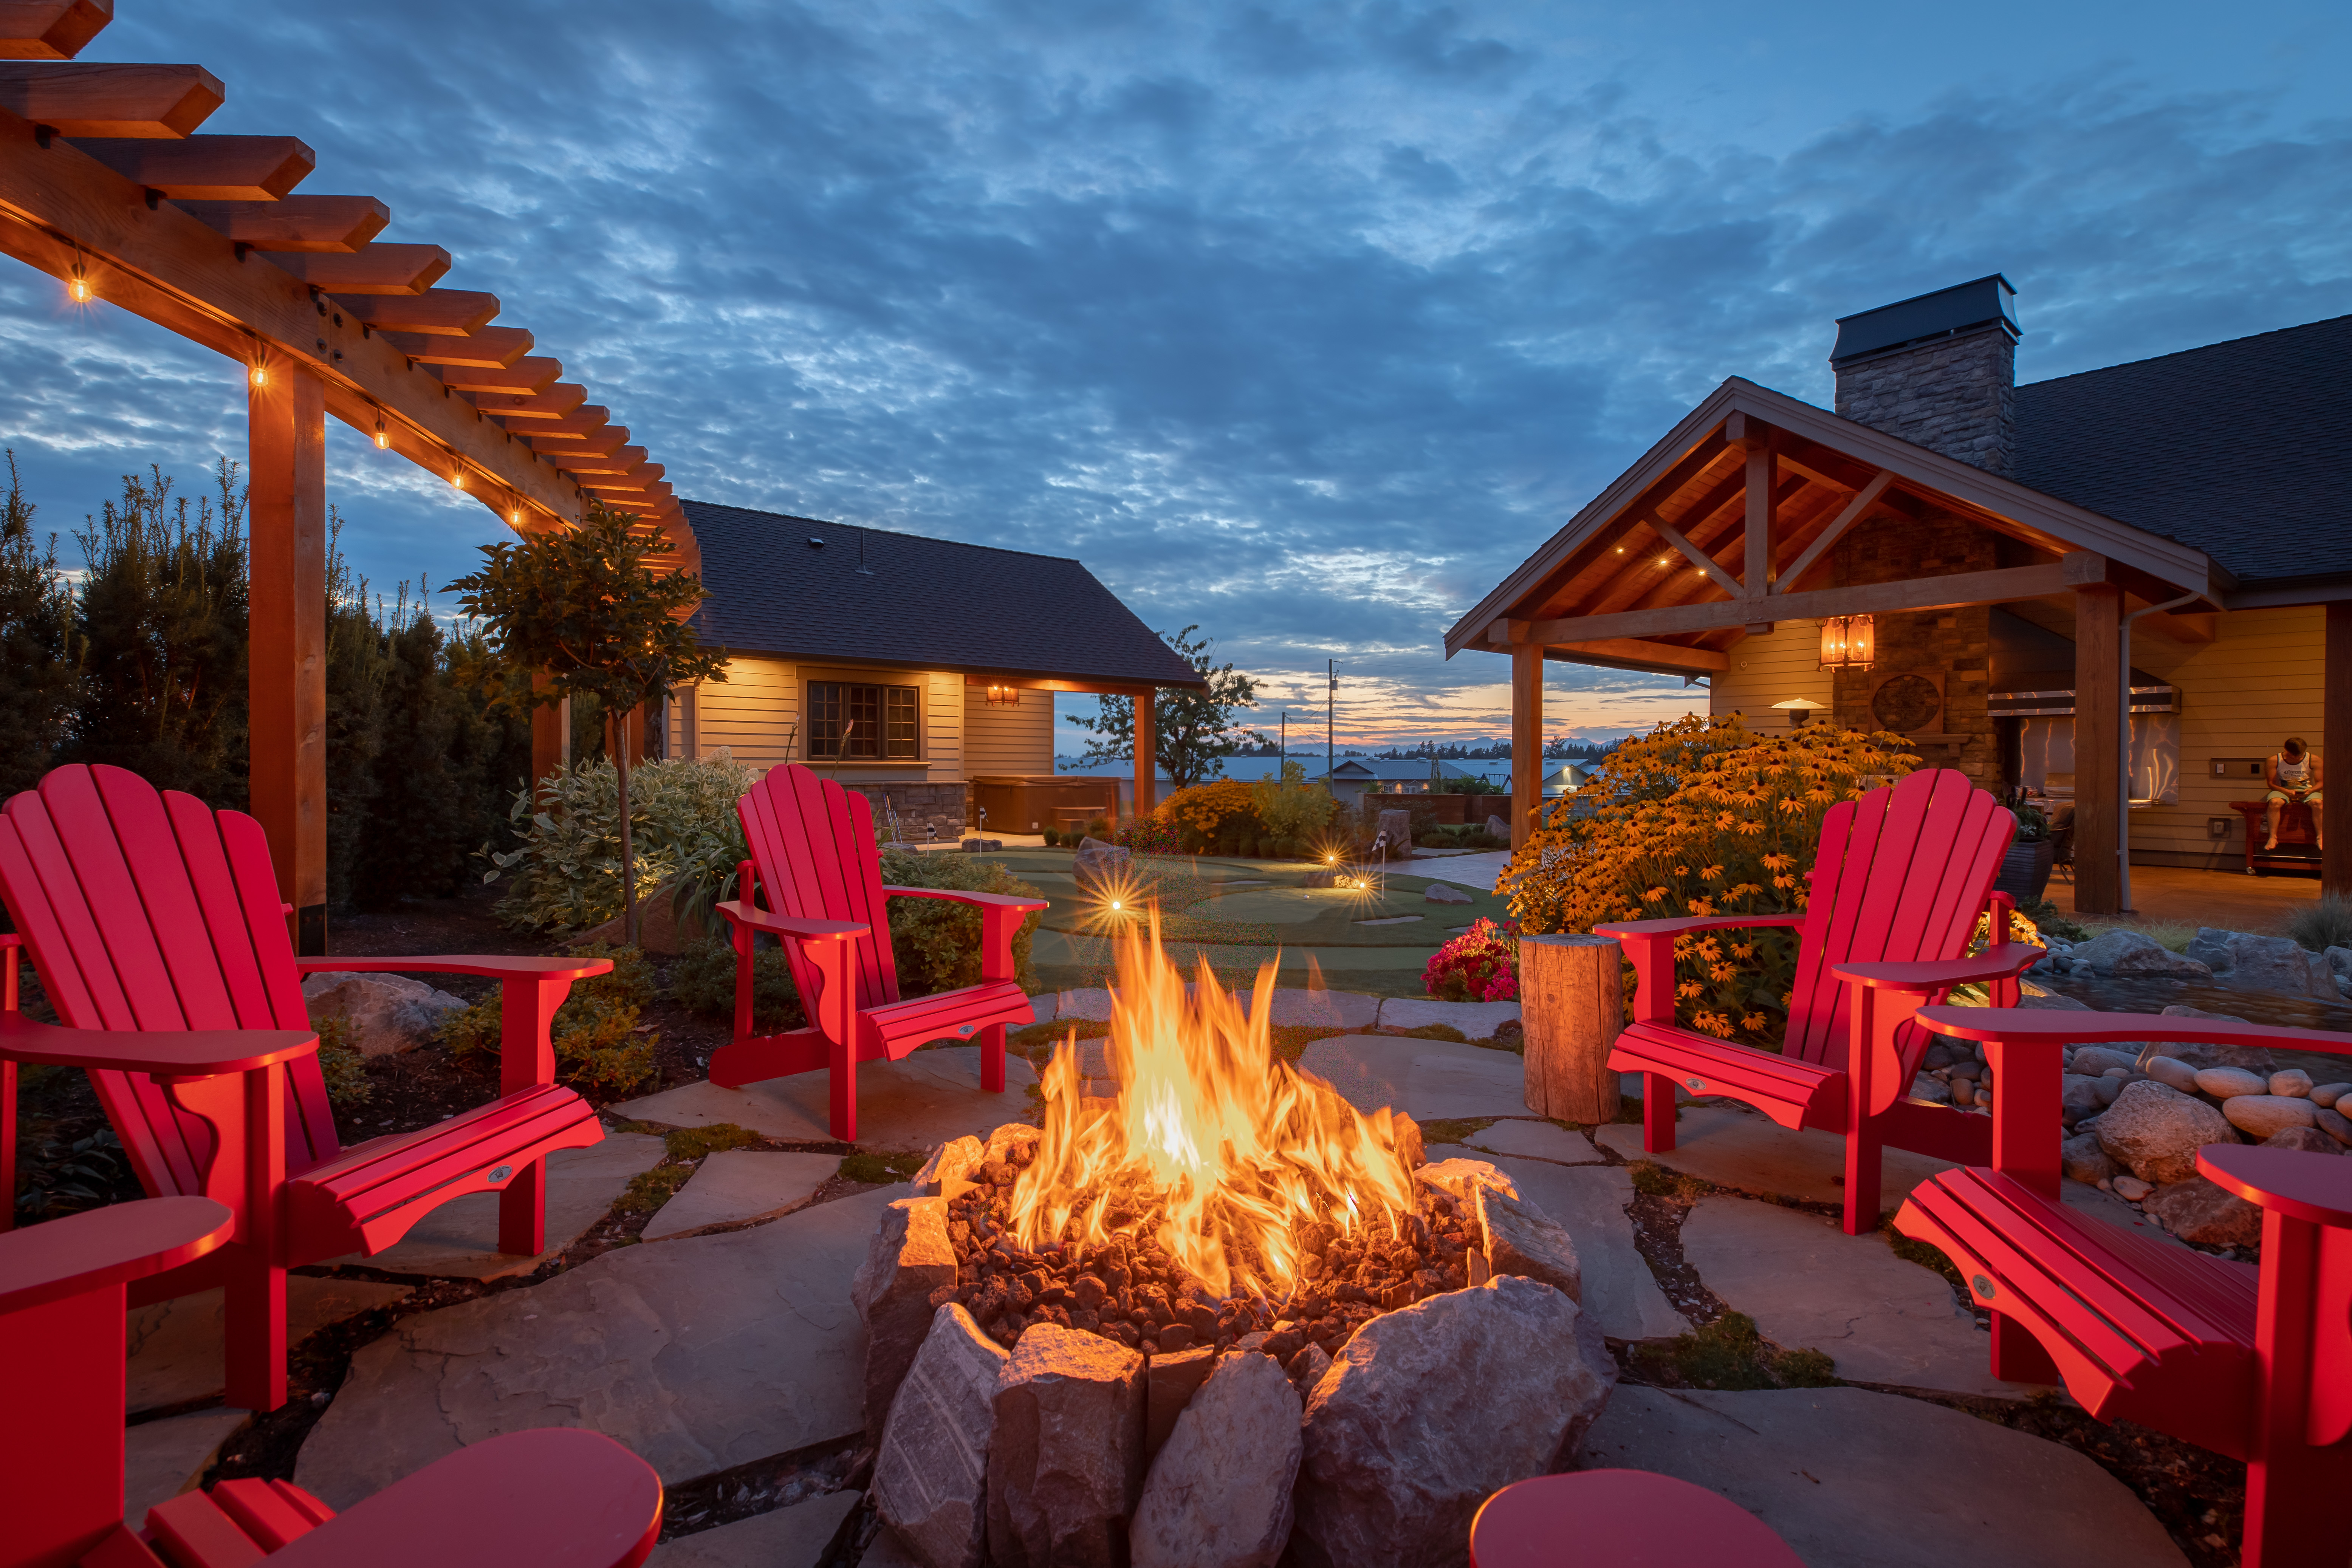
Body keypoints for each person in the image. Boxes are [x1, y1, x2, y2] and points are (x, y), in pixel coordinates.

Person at [2265, 737, 2323, 852]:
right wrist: (2286, 791)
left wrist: (2310, 791)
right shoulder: (2274, 760)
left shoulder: (2314, 760)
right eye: (2294, 755)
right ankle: (2273, 837)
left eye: (2300, 756)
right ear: (2286, 750)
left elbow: (2321, 783)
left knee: (2318, 803)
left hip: (2306, 788)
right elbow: (2271, 784)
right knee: (2274, 802)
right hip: (2283, 788)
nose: (2297, 758)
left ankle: (2320, 837)